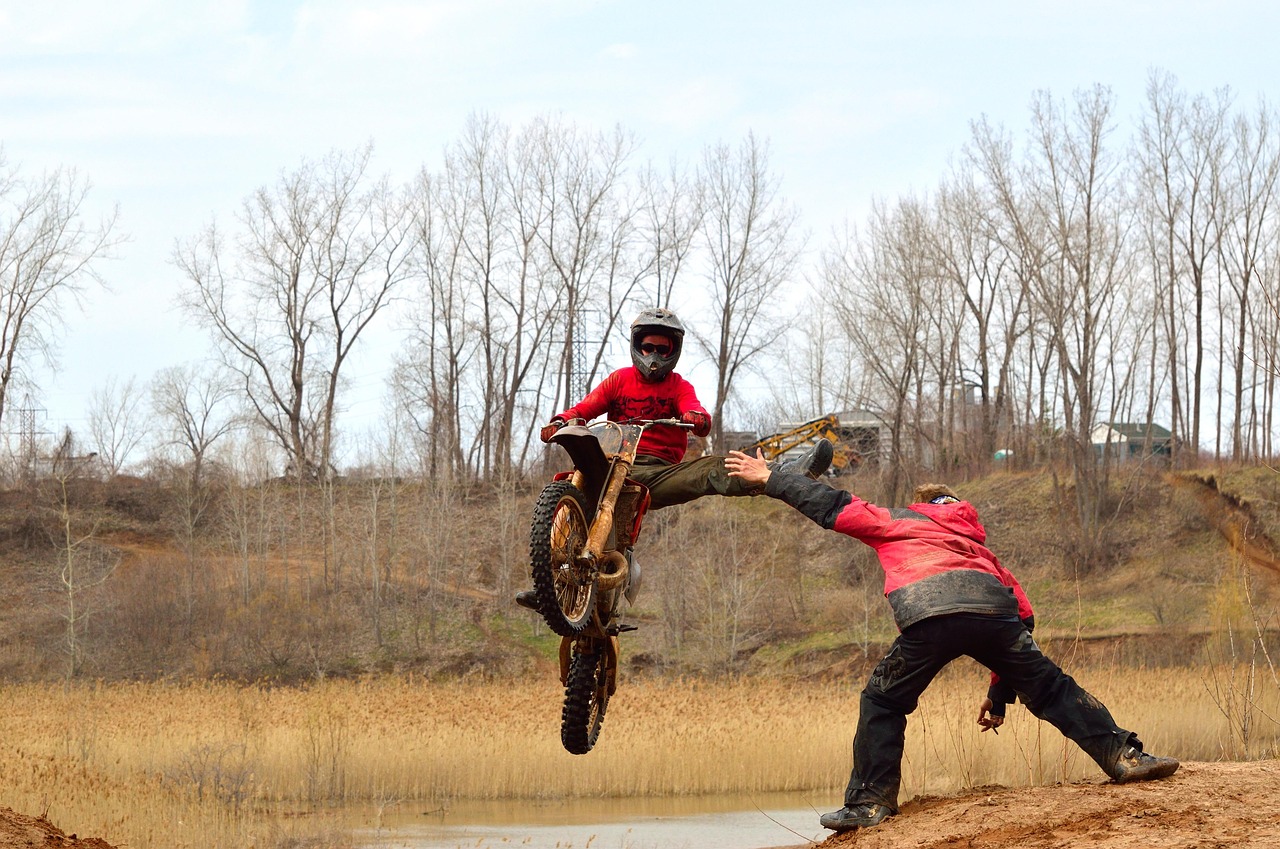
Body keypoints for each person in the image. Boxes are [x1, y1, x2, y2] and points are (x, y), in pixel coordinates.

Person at [722, 450, 1180, 833]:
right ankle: (1125, 756)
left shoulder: (896, 520)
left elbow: (833, 504)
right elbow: (1024, 616)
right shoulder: (981, 551)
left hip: (929, 614)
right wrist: (1000, 695)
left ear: (921, 506)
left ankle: (870, 805)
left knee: (883, 701)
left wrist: (772, 477)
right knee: (1054, 689)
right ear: (963, 510)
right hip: (995, 616)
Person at [516, 308, 834, 610]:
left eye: (662, 349)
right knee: (567, 482)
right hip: (610, 461)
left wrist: (695, 417)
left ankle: (787, 472)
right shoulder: (619, 380)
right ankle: (547, 585)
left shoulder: (677, 385)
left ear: (673, 351)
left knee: (709, 469)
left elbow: (694, 410)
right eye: (648, 346)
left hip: (655, 472)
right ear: (636, 345)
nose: (653, 355)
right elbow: (586, 407)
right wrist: (561, 420)